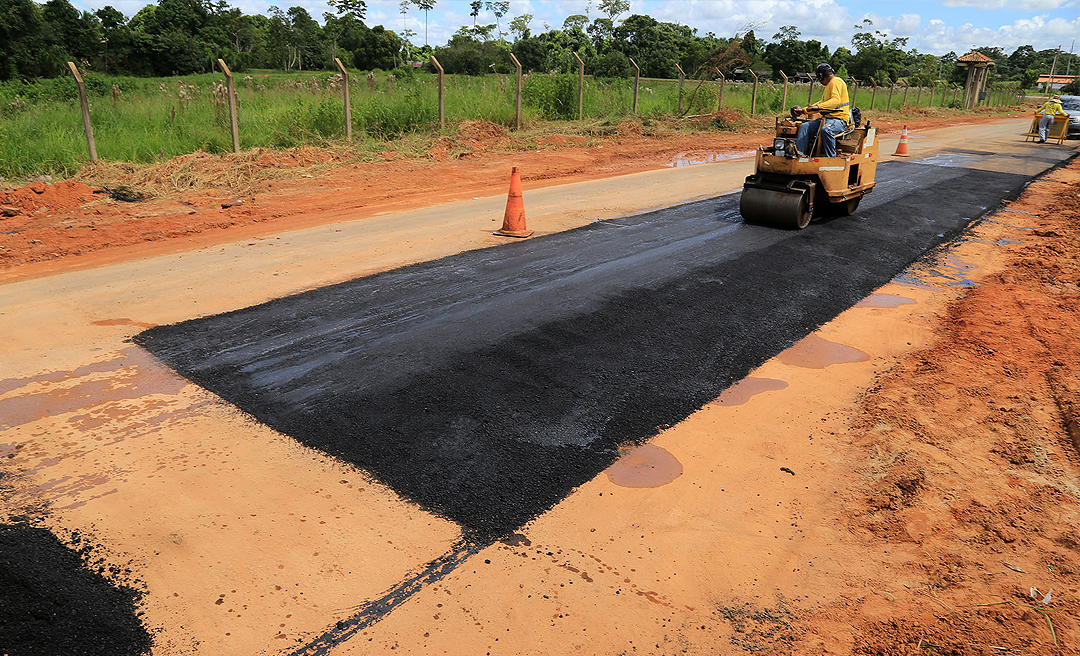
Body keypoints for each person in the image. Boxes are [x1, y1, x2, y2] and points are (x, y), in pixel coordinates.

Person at [793, 63, 851, 157]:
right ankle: (799, 154)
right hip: (827, 119)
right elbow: (822, 103)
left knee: (826, 130)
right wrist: (804, 110)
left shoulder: (836, 81)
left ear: (821, 76)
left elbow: (835, 101)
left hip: (839, 120)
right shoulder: (829, 85)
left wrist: (818, 108)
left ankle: (831, 158)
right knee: (805, 126)